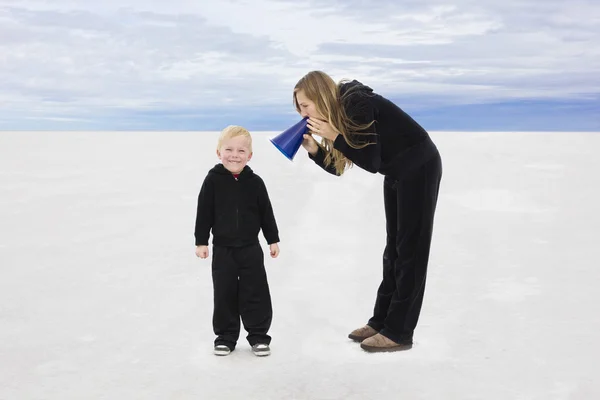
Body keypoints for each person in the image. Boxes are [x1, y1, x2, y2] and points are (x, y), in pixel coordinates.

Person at [293, 71, 442, 352]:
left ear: (320, 96)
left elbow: (370, 161)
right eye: (300, 108)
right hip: (397, 171)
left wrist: (334, 135)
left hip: (419, 166)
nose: (302, 113)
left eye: (305, 105)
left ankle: (399, 332)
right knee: (394, 250)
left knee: (411, 251)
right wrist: (314, 149)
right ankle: (381, 322)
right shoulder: (339, 114)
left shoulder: (356, 103)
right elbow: (341, 167)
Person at [194, 125, 280, 357]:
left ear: (249, 155)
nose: (235, 155)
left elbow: (266, 213)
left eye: (241, 151)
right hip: (223, 250)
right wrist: (201, 241)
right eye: (229, 149)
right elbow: (204, 212)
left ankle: (259, 336)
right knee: (224, 293)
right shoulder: (212, 181)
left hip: (251, 249)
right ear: (218, 152)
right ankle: (225, 337)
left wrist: (272, 239)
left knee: (256, 292)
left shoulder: (256, 182)